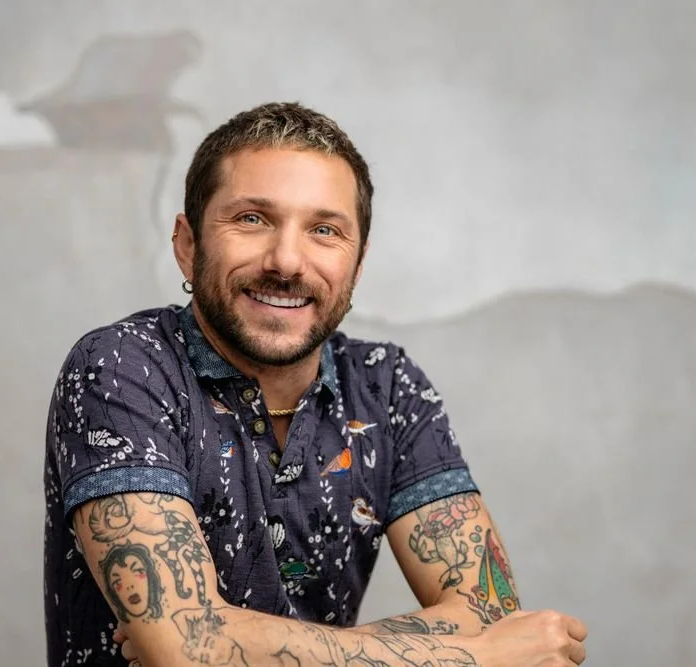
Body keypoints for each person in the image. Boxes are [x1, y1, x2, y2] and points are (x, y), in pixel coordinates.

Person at [44, 101, 588, 666]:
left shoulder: (386, 386)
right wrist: (472, 659)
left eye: (324, 230)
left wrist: (221, 638)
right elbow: (184, 651)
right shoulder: (121, 367)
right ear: (187, 244)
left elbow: (491, 612)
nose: (286, 261)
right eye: (252, 219)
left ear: (357, 263)